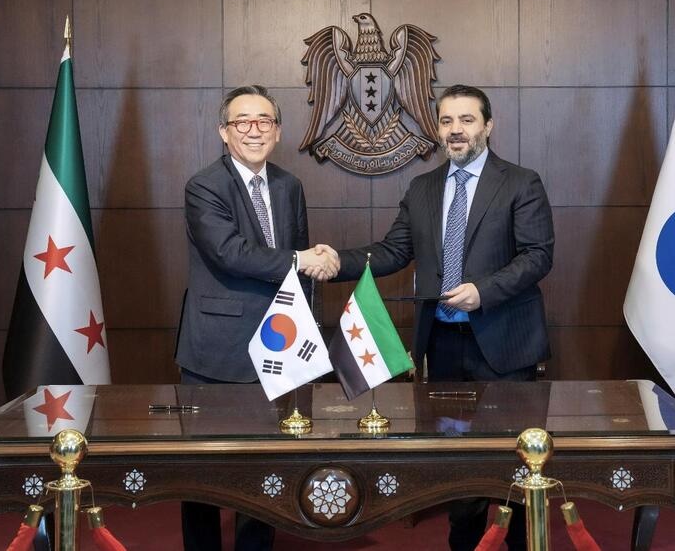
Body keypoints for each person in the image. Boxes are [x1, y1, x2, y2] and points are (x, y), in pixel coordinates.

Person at [336, 84, 554, 551]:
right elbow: (393, 251)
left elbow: (538, 256)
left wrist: (484, 291)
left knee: (514, 461)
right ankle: (467, 543)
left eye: (467, 120)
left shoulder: (520, 182)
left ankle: (519, 543)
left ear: (488, 126)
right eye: (447, 121)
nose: (456, 131)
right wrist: (335, 260)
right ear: (438, 129)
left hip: (504, 345)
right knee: (458, 463)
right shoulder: (423, 188)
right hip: (443, 348)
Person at [176, 85, 338, 551]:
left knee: (266, 470)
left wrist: (309, 335)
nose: (253, 130)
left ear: (278, 131)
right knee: (203, 475)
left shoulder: (289, 185)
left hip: (279, 347)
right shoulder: (204, 186)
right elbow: (230, 253)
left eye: (263, 121)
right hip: (217, 351)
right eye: (241, 122)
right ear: (223, 132)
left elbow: (299, 271)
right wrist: (305, 259)